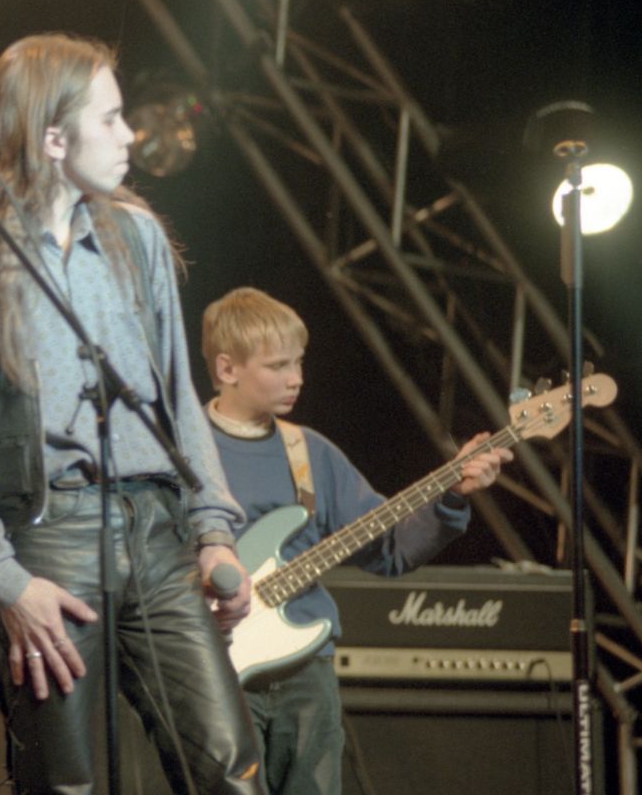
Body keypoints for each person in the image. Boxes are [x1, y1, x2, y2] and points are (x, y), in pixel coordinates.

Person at [0, 33, 265, 794]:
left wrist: (213, 533)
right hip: (49, 543)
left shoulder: (137, 238)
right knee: (64, 783)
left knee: (231, 771)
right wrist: (6, 583)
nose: (130, 136)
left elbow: (175, 398)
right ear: (53, 138)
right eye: (111, 118)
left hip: (157, 533)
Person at [199, 286, 508, 795]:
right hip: (211, 667)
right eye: (278, 365)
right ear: (228, 369)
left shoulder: (309, 452)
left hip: (306, 671)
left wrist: (452, 495)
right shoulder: (183, 451)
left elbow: (391, 550)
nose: (296, 378)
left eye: (299, 362)